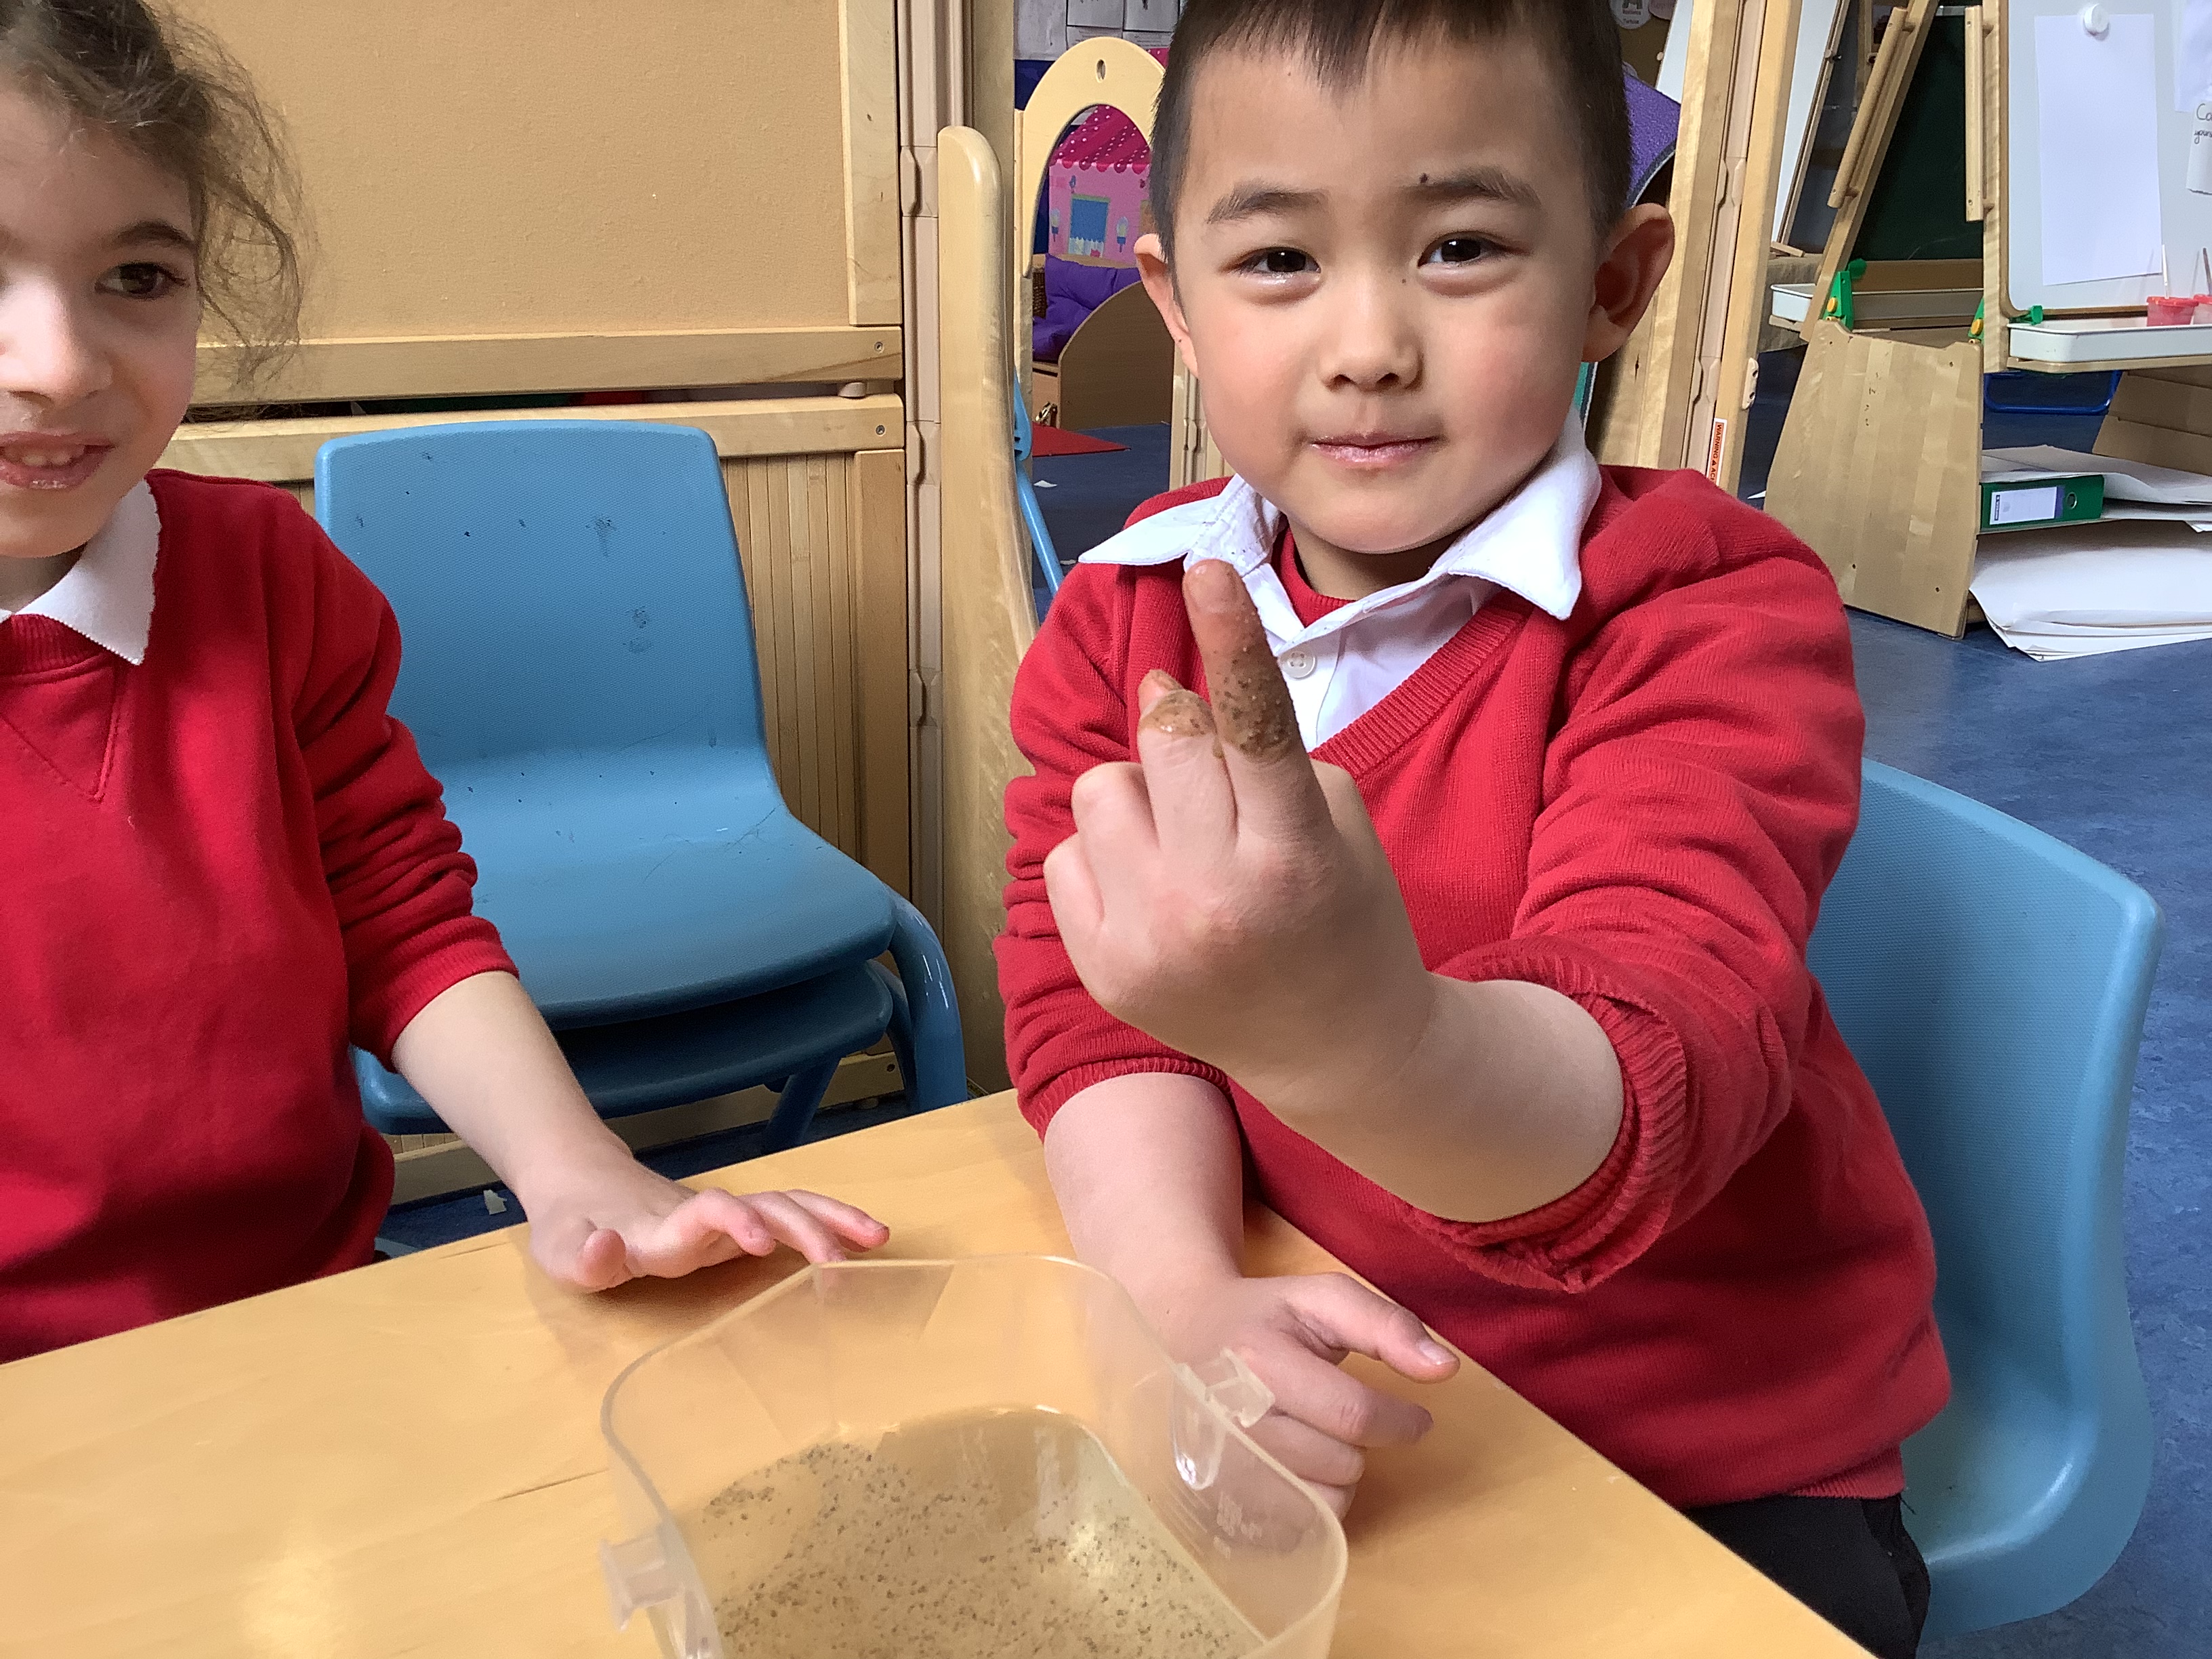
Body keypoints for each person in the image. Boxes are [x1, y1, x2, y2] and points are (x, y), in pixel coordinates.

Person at [998, 3, 1944, 1654]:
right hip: (1313, 1369)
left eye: (1459, 247)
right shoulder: (1124, 613)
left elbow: (1664, 1056)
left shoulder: (1700, 614)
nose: (1368, 344)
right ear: (1179, 307)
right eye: (1279, 261)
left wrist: (1355, 1036)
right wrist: (1179, 1296)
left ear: (1610, 284)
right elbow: (1094, 1006)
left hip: (1698, 1449)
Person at [0, 0, 886, 1365]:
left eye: (137, 276)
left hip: (317, 1314)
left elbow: (402, 920)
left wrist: (576, 1169)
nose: (62, 368)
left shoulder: (268, 578)